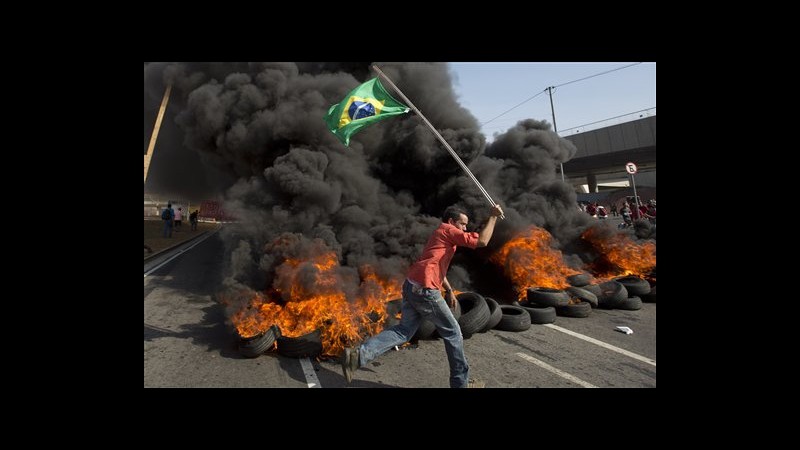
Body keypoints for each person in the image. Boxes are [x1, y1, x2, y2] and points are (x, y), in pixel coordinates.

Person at [341, 203, 504, 388]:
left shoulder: (439, 235)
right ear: (451, 222)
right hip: (425, 291)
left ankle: (357, 355)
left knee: (404, 331)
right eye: (462, 224)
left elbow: (434, 265)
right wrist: (494, 216)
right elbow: (481, 242)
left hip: (412, 286)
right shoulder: (447, 230)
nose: (465, 228)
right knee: (453, 332)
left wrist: (449, 290)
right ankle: (461, 384)